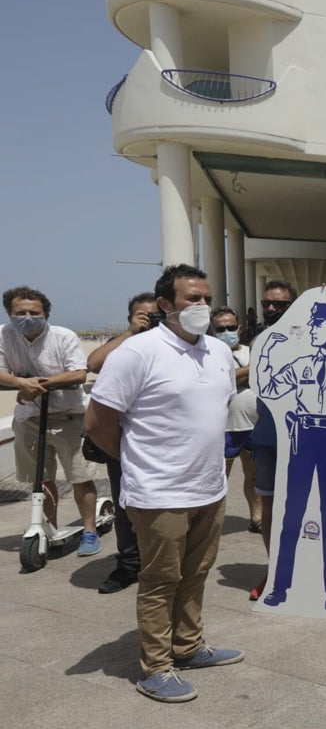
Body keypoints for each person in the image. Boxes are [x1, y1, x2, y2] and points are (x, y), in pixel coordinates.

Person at [85, 264, 242, 703]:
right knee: (160, 579)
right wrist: (138, 462)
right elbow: (98, 422)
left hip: (209, 487)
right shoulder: (137, 352)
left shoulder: (218, 351)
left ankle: (188, 648)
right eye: (192, 298)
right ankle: (156, 667)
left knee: (195, 572)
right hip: (159, 492)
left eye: (206, 298)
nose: (202, 306)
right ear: (164, 306)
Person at [257, 293, 326, 619]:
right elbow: (270, 389)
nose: (312, 329)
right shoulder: (302, 363)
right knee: (292, 515)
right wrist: (267, 355)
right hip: (302, 437)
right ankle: (280, 589)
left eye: (317, 324)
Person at [0, 286, 103, 556]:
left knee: (81, 477)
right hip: (30, 419)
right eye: (20, 313)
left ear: (46, 313)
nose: (27, 317)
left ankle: (90, 531)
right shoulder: (4, 334)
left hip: (70, 417)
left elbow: (79, 373)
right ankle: (48, 526)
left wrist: (34, 385)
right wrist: (20, 382)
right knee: (41, 480)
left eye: (34, 312)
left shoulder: (63, 336)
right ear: (10, 313)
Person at [86, 292, 157, 593]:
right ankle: (129, 564)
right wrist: (130, 332)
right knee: (126, 506)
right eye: (143, 315)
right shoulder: (124, 343)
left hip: (164, 442)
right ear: (131, 316)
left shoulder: (173, 343)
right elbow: (93, 363)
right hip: (124, 442)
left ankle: (162, 563)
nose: (150, 319)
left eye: (155, 314)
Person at [247, 280, 298, 601]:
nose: (271, 309)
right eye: (267, 303)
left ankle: (304, 571)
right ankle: (276, 570)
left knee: (305, 510)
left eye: (279, 305)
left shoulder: (310, 339)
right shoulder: (258, 341)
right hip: (266, 439)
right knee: (269, 509)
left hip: (303, 440)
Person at [211, 307, 262, 534]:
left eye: (231, 327)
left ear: (239, 328)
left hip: (253, 426)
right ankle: (210, 525)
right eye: (220, 328)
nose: (227, 332)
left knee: (254, 476)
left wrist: (242, 375)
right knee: (218, 479)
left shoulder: (253, 351)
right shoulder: (207, 354)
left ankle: (257, 518)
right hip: (223, 429)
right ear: (212, 331)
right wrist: (253, 371)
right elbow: (224, 379)